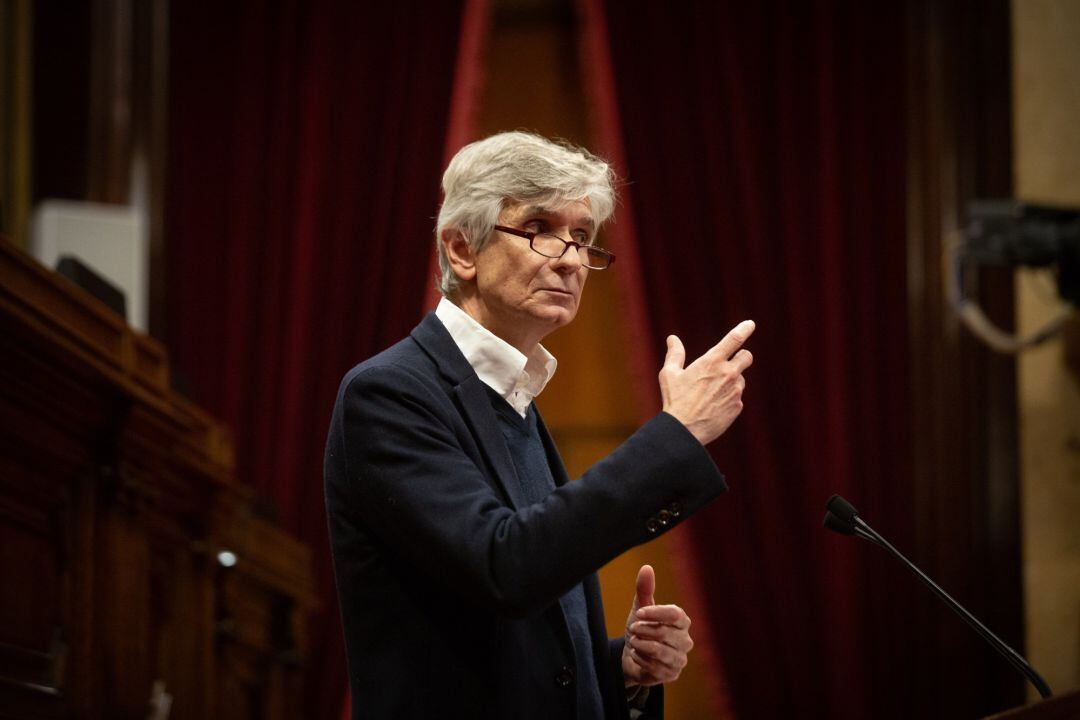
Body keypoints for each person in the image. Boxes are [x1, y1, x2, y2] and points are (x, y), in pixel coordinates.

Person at [324, 131, 755, 719]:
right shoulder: (390, 393)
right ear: (462, 249)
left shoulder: (515, 396)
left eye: (582, 236)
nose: (572, 259)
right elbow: (505, 568)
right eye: (539, 228)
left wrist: (623, 671)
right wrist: (674, 434)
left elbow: (523, 643)